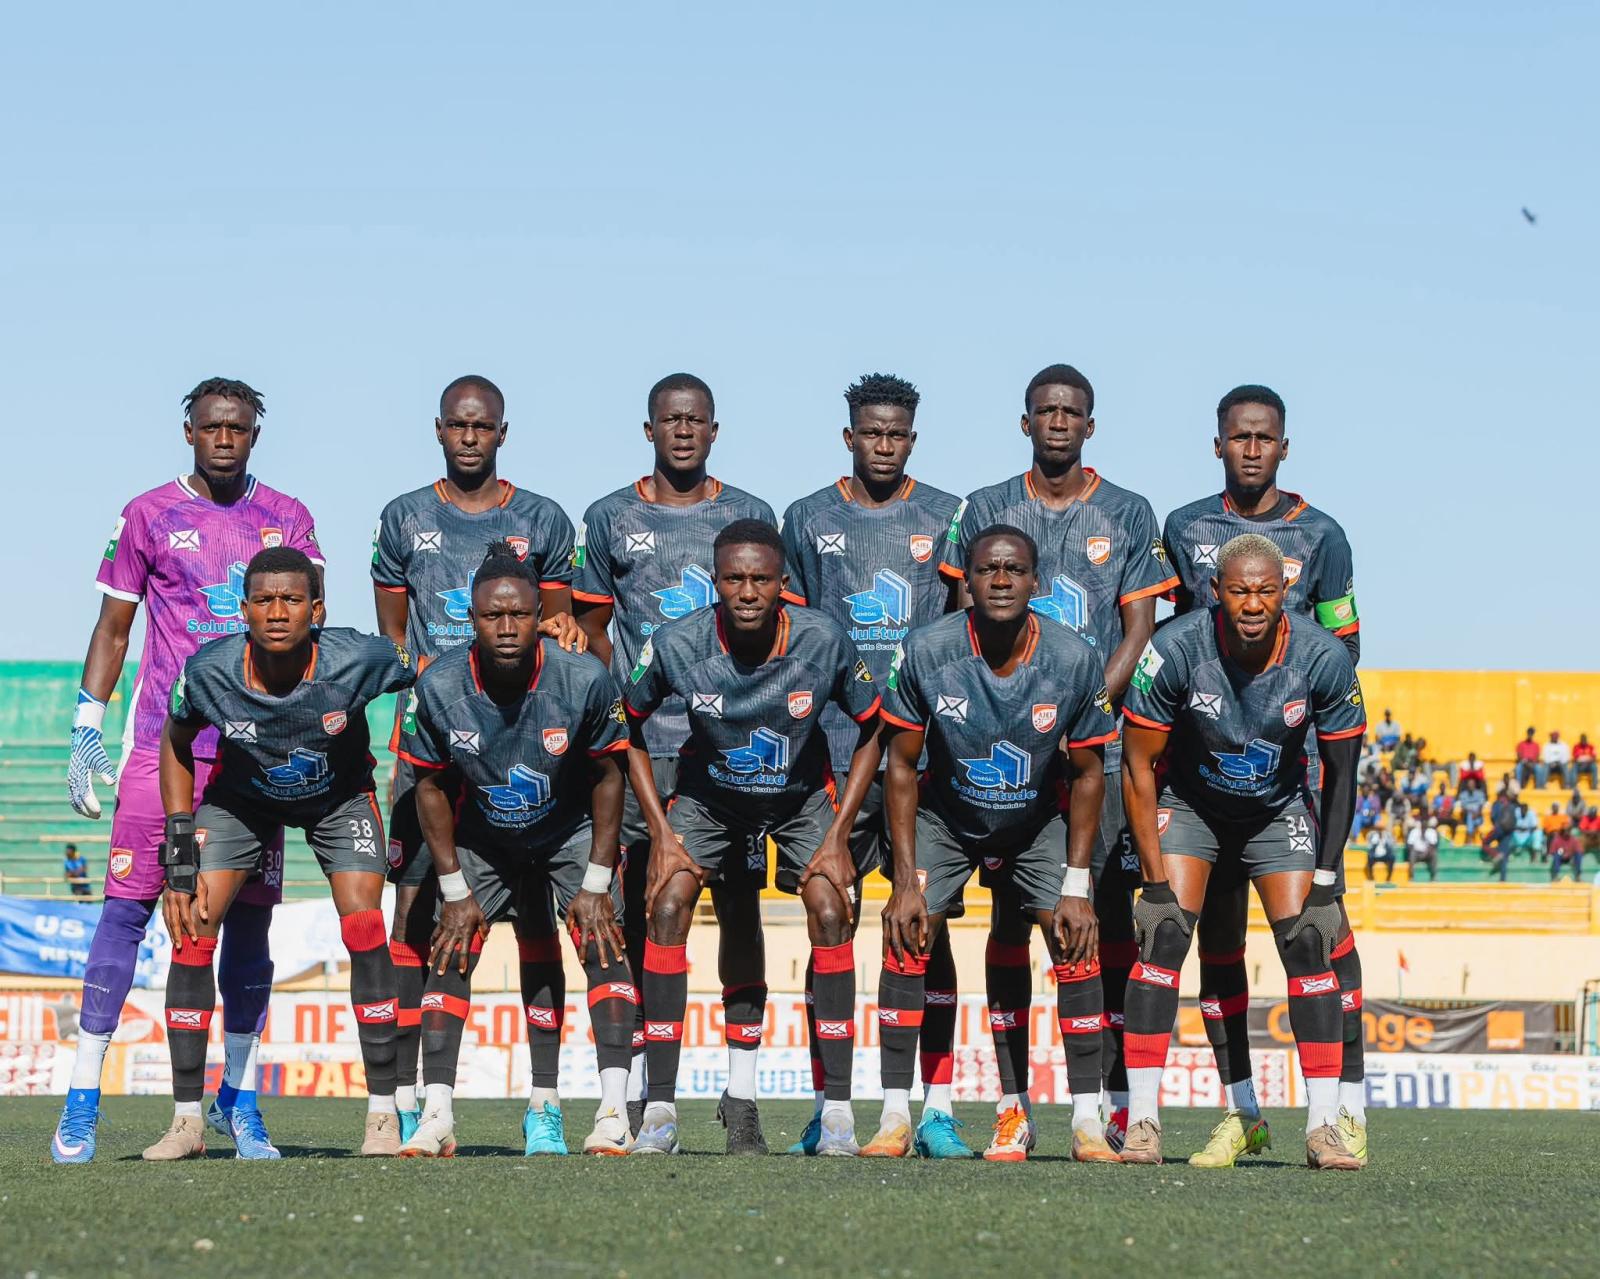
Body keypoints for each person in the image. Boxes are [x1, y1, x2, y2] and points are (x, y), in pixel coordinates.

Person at [52, 377, 317, 1166]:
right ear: (190, 432)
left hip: (252, 759)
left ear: (255, 435)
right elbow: (113, 627)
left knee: (250, 924)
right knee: (125, 915)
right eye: (211, 426)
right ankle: (82, 1095)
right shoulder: (148, 514)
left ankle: (240, 1098)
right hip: (161, 750)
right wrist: (86, 723)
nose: (224, 438)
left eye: (238, 427)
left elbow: (311, 632)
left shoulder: (289, 518)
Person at [939, 363, 1175, 1152]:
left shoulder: (1129, 512)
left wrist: (1081, 713)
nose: (1060, 422)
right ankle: (1013, 1104)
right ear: (1026, 422)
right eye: (1046, 411)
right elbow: (962, 617)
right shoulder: (987, 507)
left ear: (1090, 425)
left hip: (1090, 756)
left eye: (1073, 412)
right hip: (1002, 757)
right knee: (1008, 923)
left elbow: (1139, 630)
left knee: (1101, 922)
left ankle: (1108, 1102)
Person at [145, 548, 415, 1160]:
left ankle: (382, 1114)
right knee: (192, 927)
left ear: (317, 611)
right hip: (242, 803)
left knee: (366, 925)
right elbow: (176, 742)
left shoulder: (359, 658)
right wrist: (179, 853)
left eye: (291, 599)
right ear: (242, 611)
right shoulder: (209, 671)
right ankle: (187, 1122)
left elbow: (430, 669)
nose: (276, 612)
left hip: (338, 801)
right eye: (263, 600)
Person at [622, 520, 881, 1156]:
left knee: (831, 908)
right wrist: (660, 832)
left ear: (782, 583)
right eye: (733, 579)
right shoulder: (677, 643)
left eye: (760, 579)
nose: (746, 592)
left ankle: (836, 1113)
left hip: (799, 799)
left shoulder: (823, 639)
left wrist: (838, 835)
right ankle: (659, 1110)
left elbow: (875, 728)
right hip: (709, 800)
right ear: (715, 582)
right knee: (667, 905)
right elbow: (626, 725)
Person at [370, 373, 583, 1145]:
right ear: (438, 430)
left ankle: (544, 1104)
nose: (469, 437)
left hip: (520, 747)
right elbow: (394, 639)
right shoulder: (403, 517)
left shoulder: (543, 518)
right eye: (457, 425)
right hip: (433, 747)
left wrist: (563, 633)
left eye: (482, 426)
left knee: (534, 920)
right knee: (413, 914)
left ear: (501, 432)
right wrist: (429, 682)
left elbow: (560, 629)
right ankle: (403, 1098)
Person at [1160, 385, 1367, 1169]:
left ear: (1284, 446)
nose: (1252, 448)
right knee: (1217, 943)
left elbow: (1346, 646)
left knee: (1319, 932)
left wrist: (1284, 700)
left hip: (1293, 767)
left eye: (1265, 437)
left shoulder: (1324, 535)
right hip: (1204, 771)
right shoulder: (1185, 527)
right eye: (1239, 437)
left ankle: (1345, 1105)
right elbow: (1176, 640)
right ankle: (1240, 1109)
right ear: (1218, 444)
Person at [1119, 533, 1367, 1171]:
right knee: (1163, 934)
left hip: (1275, 810)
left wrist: (1326, 878)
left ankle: (1324, 1125)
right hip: (1192, 806)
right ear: (1214, 592)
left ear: (1286, 591)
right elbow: (1137, 764)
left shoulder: (1323, 657)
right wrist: (1153, 880)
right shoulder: (1173, 649)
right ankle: (1143, 1120)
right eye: (1238, 591)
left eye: (1265, 591)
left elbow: (1343, 773)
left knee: (1309, 940)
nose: (1252, 604)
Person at [572, 373, 777, 1138]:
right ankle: (639, 1091)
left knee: (741, 911)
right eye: (670, 419)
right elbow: (590, 630)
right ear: (649, 429)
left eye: (696, 420)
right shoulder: (609, 517)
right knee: (639, 915)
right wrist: (615, 702)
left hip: (729, 754)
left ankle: (741, 1093)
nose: (683, 431)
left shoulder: (750, 513)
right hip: (639, 750)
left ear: (714, 430)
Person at [876, 525, 1119, 1162]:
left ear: (1036, 582)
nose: (1002, 580)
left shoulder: (1073, 656)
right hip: (946, 819)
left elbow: (1089, 773)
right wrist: (904, 881)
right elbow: (899, 765)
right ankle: (895, 1115)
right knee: (907, 932)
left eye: (1015, 570)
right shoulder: (926, 649)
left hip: (1035, 822)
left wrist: (1076, 885)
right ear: (967, 579)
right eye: (988, 569)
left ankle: (1087, 1120)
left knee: (1074, 936)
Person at [393, 544, 635, 1158]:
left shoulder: (583, 677)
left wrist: (597, 881)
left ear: (540, 616)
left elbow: (610, 775)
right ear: (470, 618)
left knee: (602, 942)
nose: (506, 628)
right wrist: (454, 890)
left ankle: (610, 1114)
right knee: (450, 948)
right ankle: (437, 1116)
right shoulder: (439, 685)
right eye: (492, 616)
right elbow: (428, 786)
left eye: (521, 615)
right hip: (483, 834)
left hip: (568, 828)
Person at [778, 372, 966, 1157]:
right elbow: (790, 635)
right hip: (832, 752)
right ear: (849, 436)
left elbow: (964, 628)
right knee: (830, 918)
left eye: (896, 434)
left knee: (929, 927)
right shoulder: (806, 517)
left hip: (927, 758)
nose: (883, 445)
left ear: (911, 439)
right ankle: (831, 1108)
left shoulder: (947, 515)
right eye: (871, 432)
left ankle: (936, 1109)